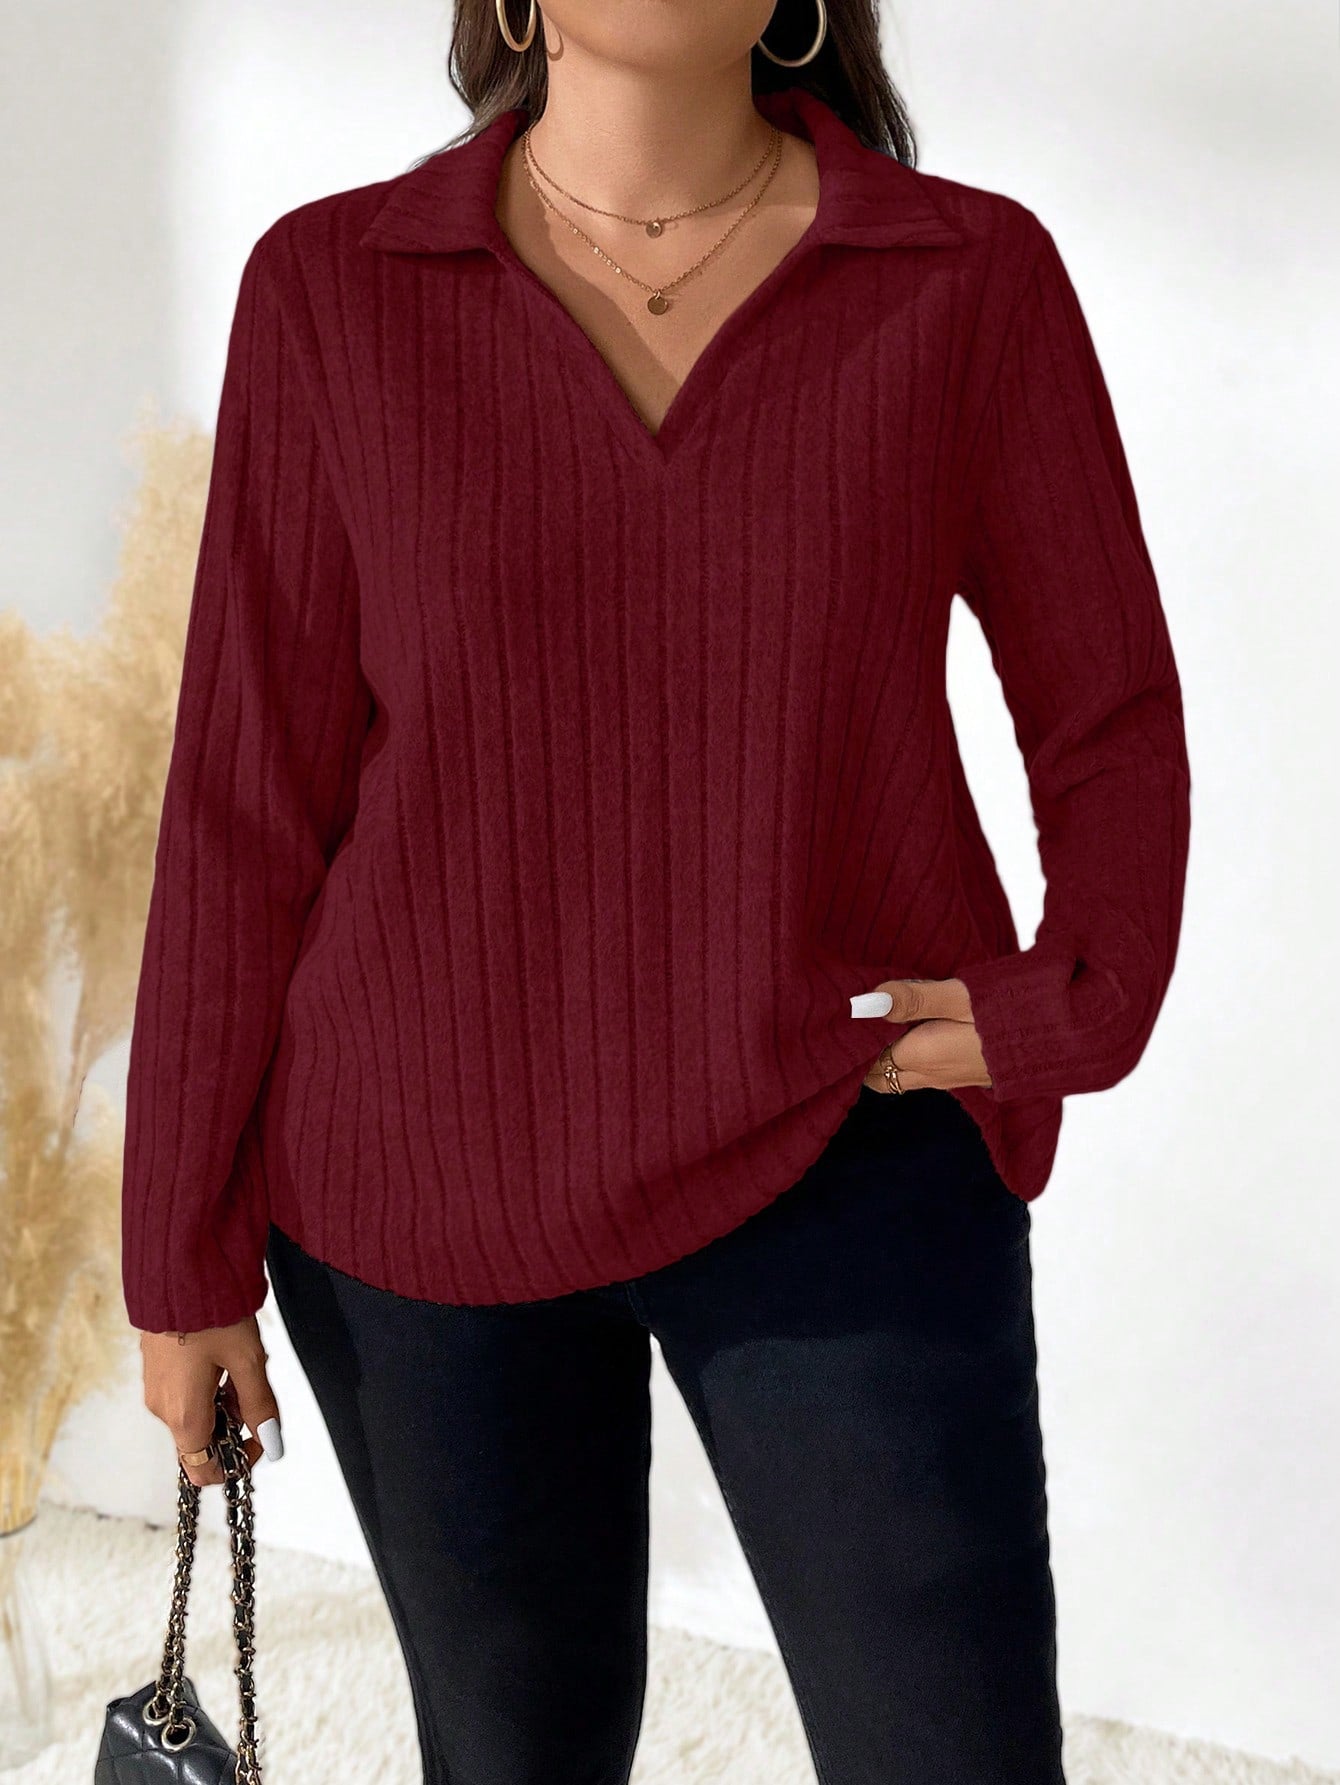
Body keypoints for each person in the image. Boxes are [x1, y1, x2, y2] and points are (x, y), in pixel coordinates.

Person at [122, 2, 1192, 1779]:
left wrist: (1071, 1000)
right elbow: (244, 797)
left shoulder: (965, 279)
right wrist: (182, 1252)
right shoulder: (334, 287)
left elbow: (1109, 712)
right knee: (514, 1755)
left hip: (840, 1122)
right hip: (419, 1173)